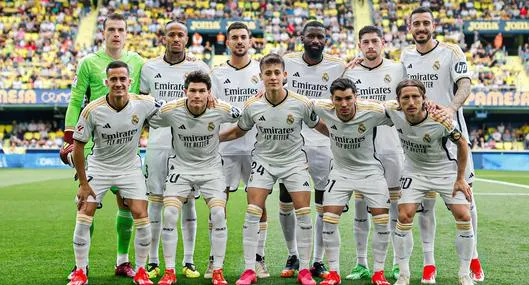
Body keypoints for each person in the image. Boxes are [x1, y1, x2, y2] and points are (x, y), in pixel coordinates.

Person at [220, 53, 328, 285]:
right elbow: (238, 131)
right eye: (267, 73)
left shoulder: (301, 103)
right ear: (261, 77)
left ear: (285, 75)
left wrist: (342, 139)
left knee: (304, 213)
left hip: (293, 162)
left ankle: (305, 270)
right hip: (263, 162)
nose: (272, 77)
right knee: (252, 212)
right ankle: (249, 269)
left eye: (276, 72)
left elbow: (319, 125)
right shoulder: (253, 105)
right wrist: (213, 139)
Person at [400, 6, 483, 283]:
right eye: (416, 24)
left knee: (466, 201)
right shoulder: (406, 56)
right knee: (424, 205)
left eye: (426, 23)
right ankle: (428, 263)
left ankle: (473, 258)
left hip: (451, 136)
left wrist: (450, 108)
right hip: (419, 141)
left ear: (433, 25)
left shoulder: (452, 51)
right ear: (409, 27)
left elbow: (465, 84)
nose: (421, 28)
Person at [61, 13, 144, 279]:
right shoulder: (89, 62)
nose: (116, 34)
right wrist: (68, 137)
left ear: (127, 33)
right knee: (87, 201)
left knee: (126, 203)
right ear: (103, 32)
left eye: (121, 29)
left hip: (125, 142)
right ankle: (81, 265)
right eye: (111, 29)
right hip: (92, 141)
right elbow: (76, 100)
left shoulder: (137, 62)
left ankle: (123, 260)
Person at [67, 61, 158, 285]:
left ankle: (140, 271)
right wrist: (84, 183)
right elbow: (78, 146)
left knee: (140, 212)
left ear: (130, 81)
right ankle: (80, 271)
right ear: (106, 83)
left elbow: (174, 108)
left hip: (129, 167)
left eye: (122, 79)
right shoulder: (92, 110)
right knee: (85, 209)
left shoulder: (144, 103)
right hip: (100, 167)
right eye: (114, 80)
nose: (118, 84)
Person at [149, 70, 239, 285]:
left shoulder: (220, 108)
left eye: (202, 91)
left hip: (211, 169)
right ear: (185, 91)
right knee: (169, 212)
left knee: (218, 213)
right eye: (193, 91)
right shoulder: (171, 110)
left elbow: (242, 116)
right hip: (180, 168)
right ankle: (169, 271)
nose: (197, 95)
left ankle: (218, 270)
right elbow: (148, 117)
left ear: (209, 93)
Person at [139, 20, 210, 279]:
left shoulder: (199, 67)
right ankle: (153, 261)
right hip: (158, 143)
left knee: (188, 201)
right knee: (155, 201)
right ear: (164, 38)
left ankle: (188, 261)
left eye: (181, 34)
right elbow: (144, 107)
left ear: (187, 38)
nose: (176, 38)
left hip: (189, 145)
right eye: (172, 34)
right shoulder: (149, 68)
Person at [387, 79, 474, 285]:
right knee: (404, 215)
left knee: (463, 214)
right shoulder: (392, 112)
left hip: (444, 170)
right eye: (405, 97)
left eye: (416, 96)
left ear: (424, 99)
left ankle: (464, 273)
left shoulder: (440, 119)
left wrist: (460, 178)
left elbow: (462, 144)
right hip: (414, 171)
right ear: (398, 101)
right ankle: (404, 275)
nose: (411, 102)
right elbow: (363, 104)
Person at [313, 78, 393, 285]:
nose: (344, 104)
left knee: (382, 223)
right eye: (338, 99)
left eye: (349, 98)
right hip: (340, 172)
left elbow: (398, 107)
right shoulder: (322, 108)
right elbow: (296, 102)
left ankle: (378, 272)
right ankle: (334, 273)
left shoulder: (373, 111)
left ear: (356, 97)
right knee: (328, 220)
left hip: (370, 172)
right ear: (332, 99)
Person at [282, 20, 346, 279]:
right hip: (291, 139)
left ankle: (317, 260)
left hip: (323, 141)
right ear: (302, 38)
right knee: (287, 197)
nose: (316, 40)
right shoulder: (286, 62)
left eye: (321, 36)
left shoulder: (338, 66)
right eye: (312, 36)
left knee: (322, 199)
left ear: (326, 39)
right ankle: (293, 254)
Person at [343, 25, 406, 280]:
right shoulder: (350, 72)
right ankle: (361, 263)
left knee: (395, 208)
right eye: (365, 42)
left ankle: (395, 262)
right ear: (359, 45)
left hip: (392, 147)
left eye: (374, 41)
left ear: (383, 43)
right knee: (360, 208)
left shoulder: (397, 69)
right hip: (361, 151)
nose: (370, 46)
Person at [210, 22, 268, 278]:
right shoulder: (217, 74)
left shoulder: (261, 71)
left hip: (258, 147)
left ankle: (258, 258)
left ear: (250, 41)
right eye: (234, 37)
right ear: (228, 42)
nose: (240, 41)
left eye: (244, 37)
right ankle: (215, 260)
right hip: (226, 146)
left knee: (259, 202)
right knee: (218, 202)